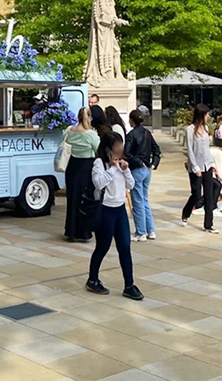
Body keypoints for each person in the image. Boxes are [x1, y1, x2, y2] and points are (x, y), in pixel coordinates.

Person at [86, 131, 144, 301]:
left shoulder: (122, 164)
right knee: (102, 247)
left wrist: (125, 171)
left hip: (120, 210)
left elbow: (131, 185)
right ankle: (92, 279)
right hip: (105, 210)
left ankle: (129, 285)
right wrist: (112, 168)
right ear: (108, 149)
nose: (120, 149)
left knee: (125, 247)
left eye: (121, 146)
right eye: (117, 146)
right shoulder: (99, 163)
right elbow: (98, 183)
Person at [64, 107, 101, 242]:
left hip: (71, 166)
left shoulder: (69, 130)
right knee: (85, 199)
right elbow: (98, 150)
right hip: (86, 167)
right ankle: (84, 231)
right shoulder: (91, 134)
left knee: (72, 199)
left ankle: (71, 230)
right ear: (89, 118)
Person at [124, 109, 161, 241]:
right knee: (144, 200)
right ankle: (150, 230)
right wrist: (153, 164)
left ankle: (141, 232)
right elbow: (157, 150)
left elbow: (127, 153)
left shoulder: (131, 135)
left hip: (137, 169)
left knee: (138, 201)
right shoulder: (147, 133)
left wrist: (138, 161)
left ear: (131, 120)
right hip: (147, 170)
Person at [182, 104, 219, 233]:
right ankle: (186, 212)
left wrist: (213, 164)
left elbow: (206, 149)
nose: (208, 117)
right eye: (206, 114)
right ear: (201, 115)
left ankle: (208, 225)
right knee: (196, 194)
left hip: (207, 165)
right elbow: (190, 151)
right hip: (195, 167)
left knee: (208, 195)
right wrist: (195, 167)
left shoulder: (206, 128)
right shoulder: (190, 130)